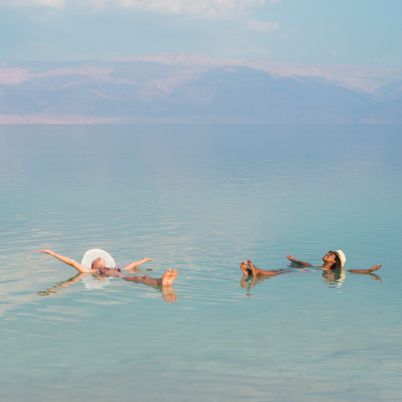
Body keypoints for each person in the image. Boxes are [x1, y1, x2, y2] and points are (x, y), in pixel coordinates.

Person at [35, 249, 178, 287]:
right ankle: (159, 282)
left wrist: (143, 260)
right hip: (117, 277)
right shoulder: (91, 271)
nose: (99, 258)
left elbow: (131, 266)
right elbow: (72, 262)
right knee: (139, 278)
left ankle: (160, 282)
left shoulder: (115, 267)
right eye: (96, 259)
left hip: (120, 274)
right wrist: (53, 253)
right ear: (93, 265)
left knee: (140, 277)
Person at [287, 249, 382, 274]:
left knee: (279, 272)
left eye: (331, 255)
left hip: (302, 273)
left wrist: (369, 270)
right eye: (328, 253)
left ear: (334, 262)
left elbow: (352, 271)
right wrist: (293, 259)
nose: (327, 254)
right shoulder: (313, 266)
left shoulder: (331, 272)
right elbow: (303, 263)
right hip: (303, 272)